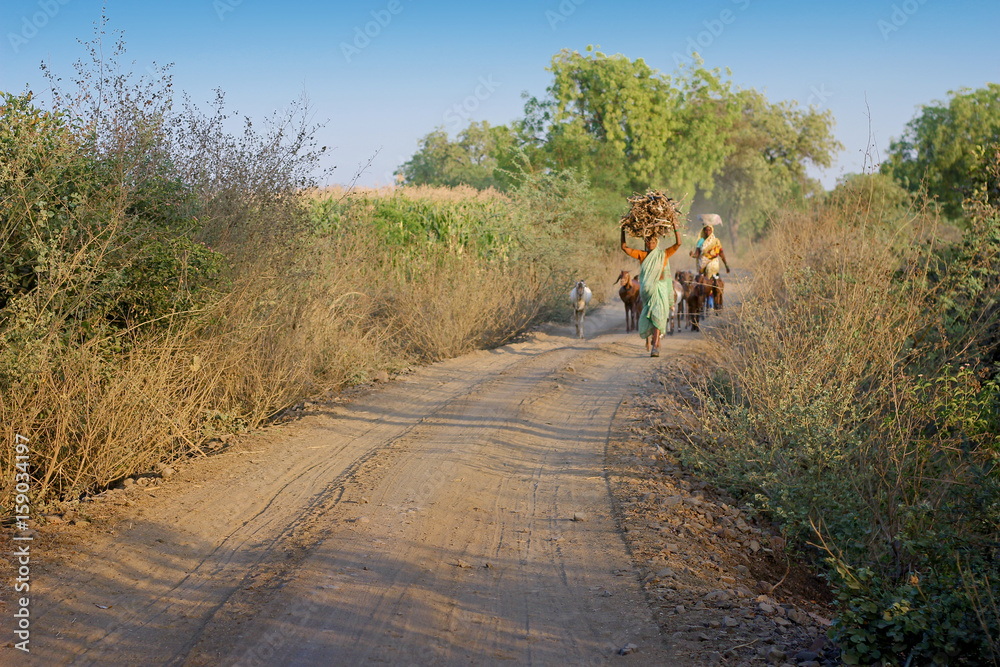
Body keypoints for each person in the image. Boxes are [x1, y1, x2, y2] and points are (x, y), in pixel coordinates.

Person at [621, 226, 681, 357]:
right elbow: (624, 248)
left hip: (660, 289)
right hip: (647, 291)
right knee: (650, 316)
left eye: (653, 241)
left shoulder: (663, 254)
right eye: (648, 241)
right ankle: (655, 340)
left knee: (658, 315)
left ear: (657, 242)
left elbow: (678, 244)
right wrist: (623, 230)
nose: (650, 244)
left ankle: (655, 345)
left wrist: (675, 227)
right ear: (645, 243)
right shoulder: (642, 255)